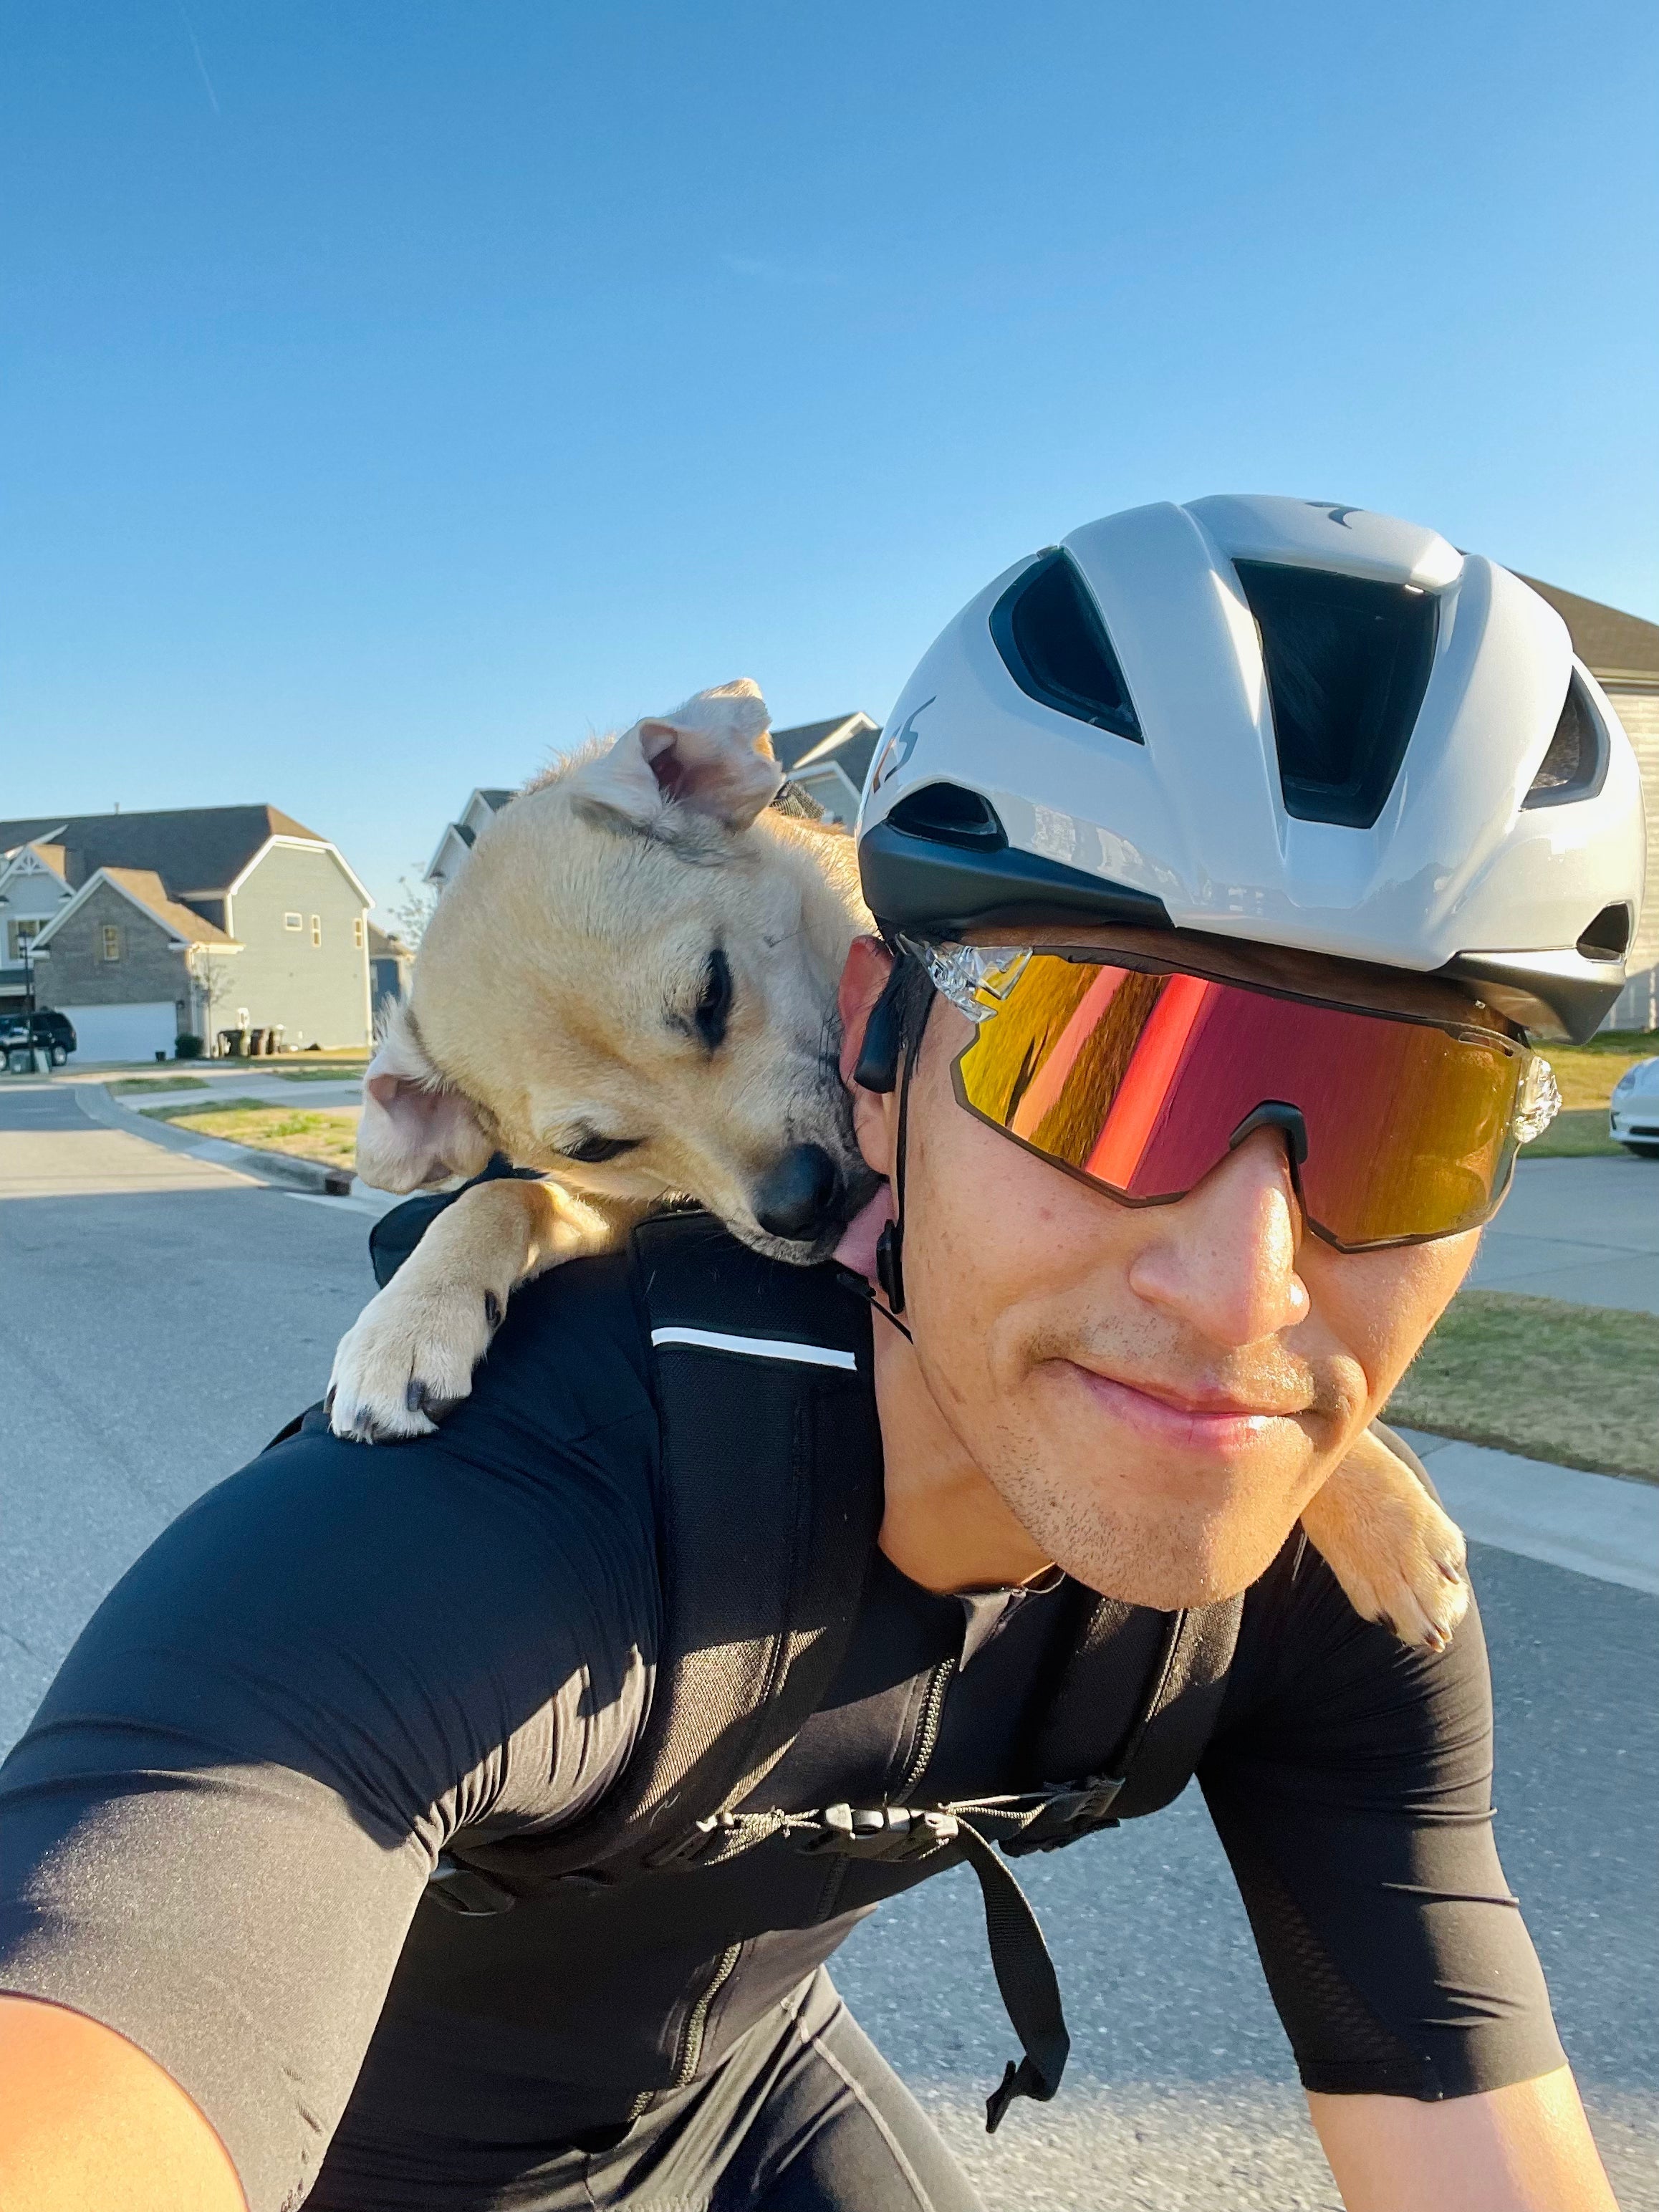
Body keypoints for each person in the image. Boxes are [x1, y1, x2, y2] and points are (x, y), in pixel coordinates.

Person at [0, 495, 1642, 2212]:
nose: (1247, 1293)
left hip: (753, 2088)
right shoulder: (484, 1526)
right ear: (879, 1024)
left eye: (1411, 1123)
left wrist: (1337, 1439)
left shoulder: (1329, 1569)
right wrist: (495, 1218)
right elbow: (156, 1899)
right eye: (1091, 1074)